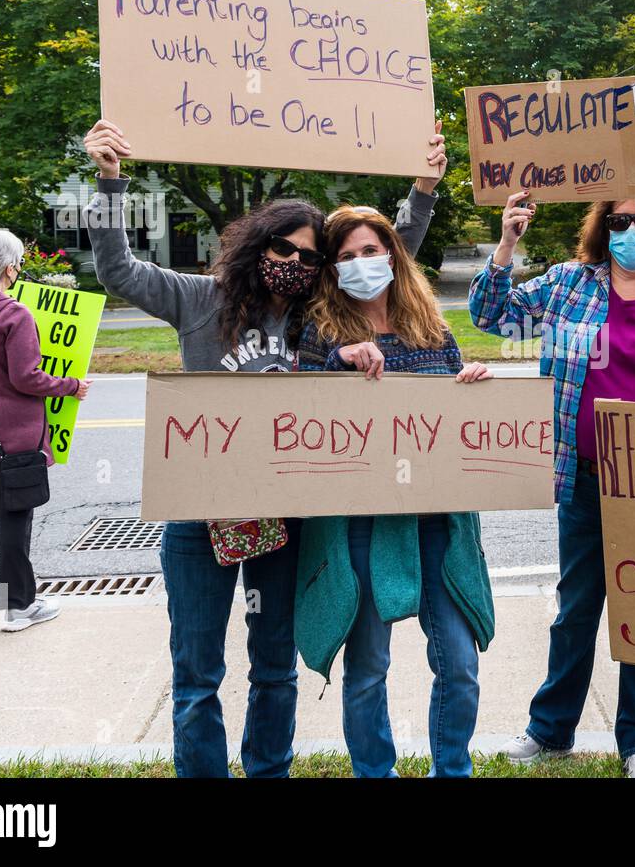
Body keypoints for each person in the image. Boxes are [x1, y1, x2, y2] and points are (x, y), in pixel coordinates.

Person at [81, 118, 446, 777]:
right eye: (285, 248)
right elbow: (118, 271)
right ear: (258, 244)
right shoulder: (199, 298)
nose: (296, 263)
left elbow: (390, 252)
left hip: (284, 521)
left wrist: (422, 189)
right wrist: (109, 180)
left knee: (274, 668)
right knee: (197, 672)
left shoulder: (319, 313)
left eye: (310, 257)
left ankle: (268, 769)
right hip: (200, 518)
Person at [470, 186, 635, 777]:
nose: (631, 232)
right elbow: (493, 316)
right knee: (576, 608)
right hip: (583, 478)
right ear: (602, 228)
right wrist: (507, 242)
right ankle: (551, 728)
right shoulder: (569, 284)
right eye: (619, 221)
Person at [292, 206, 495, 778]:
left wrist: (472, 387)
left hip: (436, 518)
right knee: (368, 667)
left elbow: (453, 418)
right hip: (363, 521)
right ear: (333, 269)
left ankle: (452, 769)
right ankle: (373, 772)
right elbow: (299, 419)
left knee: (459, 664)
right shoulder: (323, 333)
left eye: (370, 251)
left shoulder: (431, 327)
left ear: (392, 255)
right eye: (347, 256)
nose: (361, 264)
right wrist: (339, 361)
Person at [0, 229, 92, 631]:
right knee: (14, 516)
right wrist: (71, 386)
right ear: (10, 269)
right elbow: (26, 378)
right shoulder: (14, 315)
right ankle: (18, 606)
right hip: (17, 434)